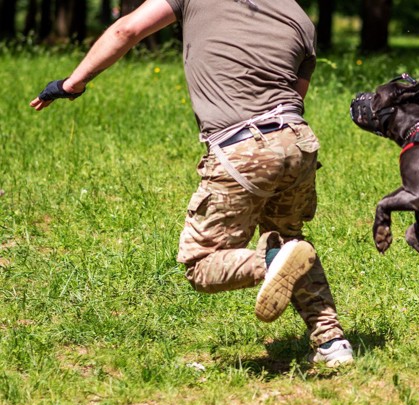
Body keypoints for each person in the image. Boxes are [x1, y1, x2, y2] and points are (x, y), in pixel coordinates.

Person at [30, 0, 353, 367]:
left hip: (242, 145)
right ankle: (332, 343)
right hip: (298, 143)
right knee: (292, 239)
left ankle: (272, 261)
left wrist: (72, 84)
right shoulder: (299, 16)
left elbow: (126, 30)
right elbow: (296, 96)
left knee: (201, 264)